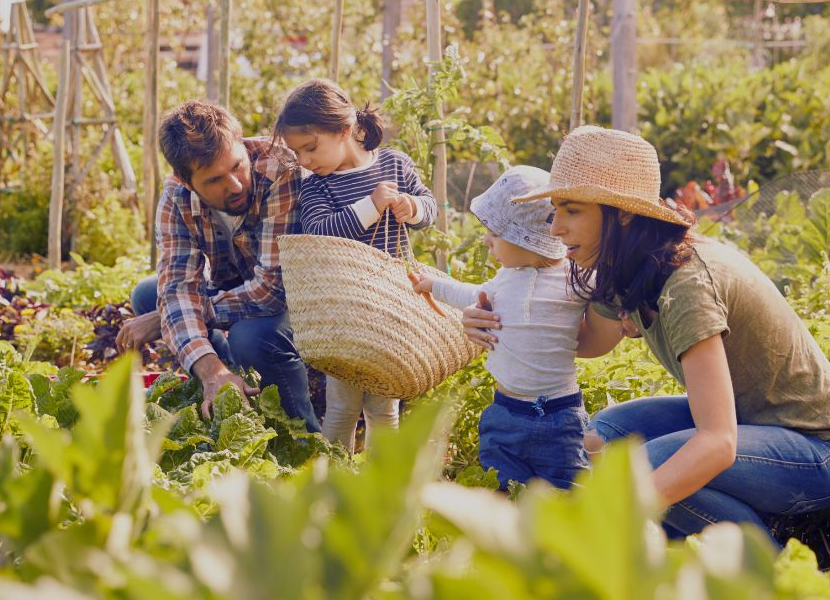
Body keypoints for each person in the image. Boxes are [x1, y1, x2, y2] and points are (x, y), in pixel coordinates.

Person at [466, 125, 830, 540]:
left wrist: (607, 521)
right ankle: (683, 543)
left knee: (646, 468)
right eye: (556, 210)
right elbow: (587, 342)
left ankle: (764, 567)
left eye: (572, 210)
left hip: (819, 449)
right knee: (606, 438)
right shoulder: (626, 269)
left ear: (621, 212)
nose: (555, 229)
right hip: (753, 423)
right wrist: (493, 319)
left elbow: (717, 442)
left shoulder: (687, 285)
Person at [116, 100, 320, 431]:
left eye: (237, 166)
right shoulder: (175, 198)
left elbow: (270, 291)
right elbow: (177, 285)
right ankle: (229, 398)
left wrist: (173, 316)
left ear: (243, 147)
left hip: (295, 297)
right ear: (185, 180)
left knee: (251, 337)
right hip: (241, 288)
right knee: (149, 294)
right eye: (214, 180)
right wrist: (211, 368)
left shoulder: (279, 169)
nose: (236, 185)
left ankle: (304, 438)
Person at [273, 78, 437, 451]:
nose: (305, 161)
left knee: (384, 405)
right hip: (344, 312)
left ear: (345, 130)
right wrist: (371, 205)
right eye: (297, 153)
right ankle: (333, 483)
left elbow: (430, 207)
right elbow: (319, 231)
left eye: (310, 148)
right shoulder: (317, 187)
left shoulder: (394, 164)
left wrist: (412, 208)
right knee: (342, 406)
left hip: (390, 305)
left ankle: (381, 484)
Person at [412, 166, 589, 491]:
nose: (486, 241)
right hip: (506, 411)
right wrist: (434, 285)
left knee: (567, 492)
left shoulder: (576, 280)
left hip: (560, 417)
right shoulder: (503, 280)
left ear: (529, 240)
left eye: (496, 234)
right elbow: (468, 293)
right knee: (501, 488)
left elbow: (610, 289)